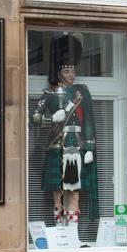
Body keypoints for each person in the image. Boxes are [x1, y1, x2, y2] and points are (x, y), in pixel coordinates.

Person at [31, 32, 98, 226]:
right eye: (68, 71)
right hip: (56, 145)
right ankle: (60, 232)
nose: (72, 75)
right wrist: (52, 117)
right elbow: (35, 118)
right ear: (59, 72)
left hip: (76, 146)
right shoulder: (50, 93)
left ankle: (72, 235)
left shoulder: (81, 92)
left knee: (74, 193)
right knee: (58, 195)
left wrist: (89, 148)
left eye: (73, 71)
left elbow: (88, 121)